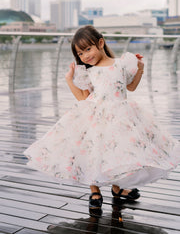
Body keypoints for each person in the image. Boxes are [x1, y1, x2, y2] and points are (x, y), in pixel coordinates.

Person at [24, 25, 180, 211]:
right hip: (95, 116)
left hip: (121, 115)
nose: (85, 56)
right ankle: (94, 189)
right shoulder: (88, 72)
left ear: (100, 43)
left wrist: (140, 69)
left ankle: (117, 188)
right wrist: (69, 79)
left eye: (88, 49)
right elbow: (83, 97)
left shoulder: (121, 63)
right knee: (93, 151)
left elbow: (131, 88)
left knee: (117, 152)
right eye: (80, 54)